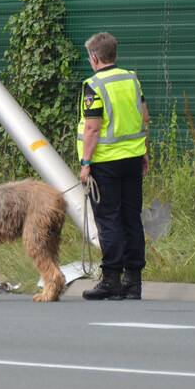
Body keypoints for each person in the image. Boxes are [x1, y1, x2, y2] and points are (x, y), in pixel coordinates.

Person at [76, 32, 150, 300]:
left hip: (105, 163)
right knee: (131, 218)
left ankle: (111, 281)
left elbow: (93, 128)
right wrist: (143, 152)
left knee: (109, 220)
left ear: (94, 58)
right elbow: (144, 118)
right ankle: (134, 282)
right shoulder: (132, 80)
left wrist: (86, 163)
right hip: (132, 160)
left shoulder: (93, 85)